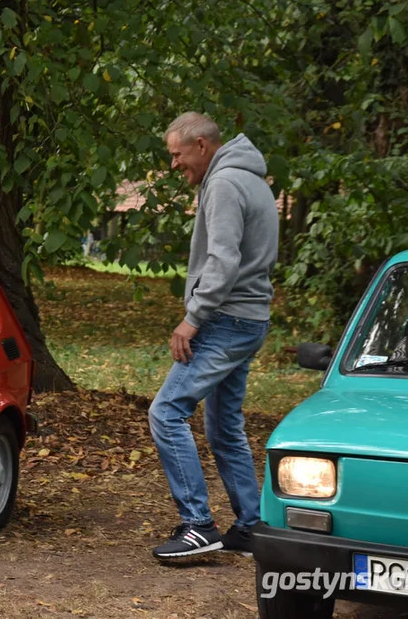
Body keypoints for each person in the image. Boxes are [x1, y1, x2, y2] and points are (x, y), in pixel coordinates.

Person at [148, 112, 278, 560]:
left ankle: (198, 525)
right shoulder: (252, 179)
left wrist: (193, 317)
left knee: (166, 413)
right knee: (223, 427)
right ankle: (252, 526)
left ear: (202, 145)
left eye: (177, 155)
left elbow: (222, 263)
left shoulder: (224, 184)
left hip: (226, 319)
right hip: (250, 318)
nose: (174, 165)